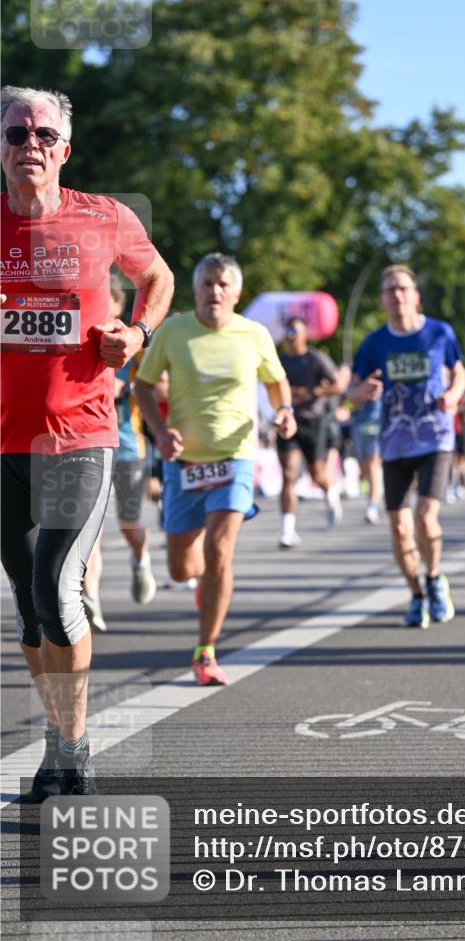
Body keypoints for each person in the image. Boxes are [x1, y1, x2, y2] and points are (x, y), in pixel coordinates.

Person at [0, 85, 174, 799]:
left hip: (80, 434)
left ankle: (74, 748)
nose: (30, 145)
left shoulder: (104, 217)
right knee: (26, 604)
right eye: (16, 134)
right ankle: (57, 743)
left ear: (64, 150)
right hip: (4, 446)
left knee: (56, 586)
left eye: (43, 135)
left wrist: (138, 333)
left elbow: (157, 276)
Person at [135, 252, 296, 685]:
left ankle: (205, 651)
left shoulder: (254, 334)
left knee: (221, 551)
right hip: (182, 464)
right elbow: (143, 386)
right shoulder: (173, 332)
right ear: (196, 289)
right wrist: (160, 433)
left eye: (223, 284)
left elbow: (276, 382)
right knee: (182, 569)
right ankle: (206, 583)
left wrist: (284, 411)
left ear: (237, 292)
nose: (215, 291)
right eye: (207, 283)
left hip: (234, 459)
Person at [350, 264, 465, 628]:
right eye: (390, 290)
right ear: (382, 300)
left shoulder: (439, 332)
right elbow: (351, 390)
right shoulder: (374, 343)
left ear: (415, 296)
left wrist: (454, 393)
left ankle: (434, 578)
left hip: (435, 437)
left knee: (425, 517)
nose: (397, 295)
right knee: (400, 528)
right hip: (394, 442)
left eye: (402, 288)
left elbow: (459, 370)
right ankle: (416, 596)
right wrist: (361, 392)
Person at [82, 275, 159, 632]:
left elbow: (157, 386)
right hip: (88, 445)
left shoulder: (135, 345)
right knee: (88, 529)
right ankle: (90, 600)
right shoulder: (80, 341)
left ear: (118, 307)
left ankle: (141, 558)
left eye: (107, 308)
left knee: (129, 524)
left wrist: (124, 387)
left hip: (127, 447)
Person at [277, 316, 345, 548]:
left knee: (317, 473)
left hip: (312, 422)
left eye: (295, 332)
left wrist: (315, 391)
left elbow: (338, 385)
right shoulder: (280, 360)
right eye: (288, 333)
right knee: (289, 474)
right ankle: (287, 531)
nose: (291, 338)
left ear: (305, 335)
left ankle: (331, 492)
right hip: (288, 420)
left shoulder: (315, 358)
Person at [350, 397, 383, 523]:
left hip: (379, 427)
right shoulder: (355, 385)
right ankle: (378, 488)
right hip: (359, 427)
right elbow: (348, 402)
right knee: (364, 471)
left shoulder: (385, 385)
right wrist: (346, 408)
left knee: (373, 465)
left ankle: (372, 506)